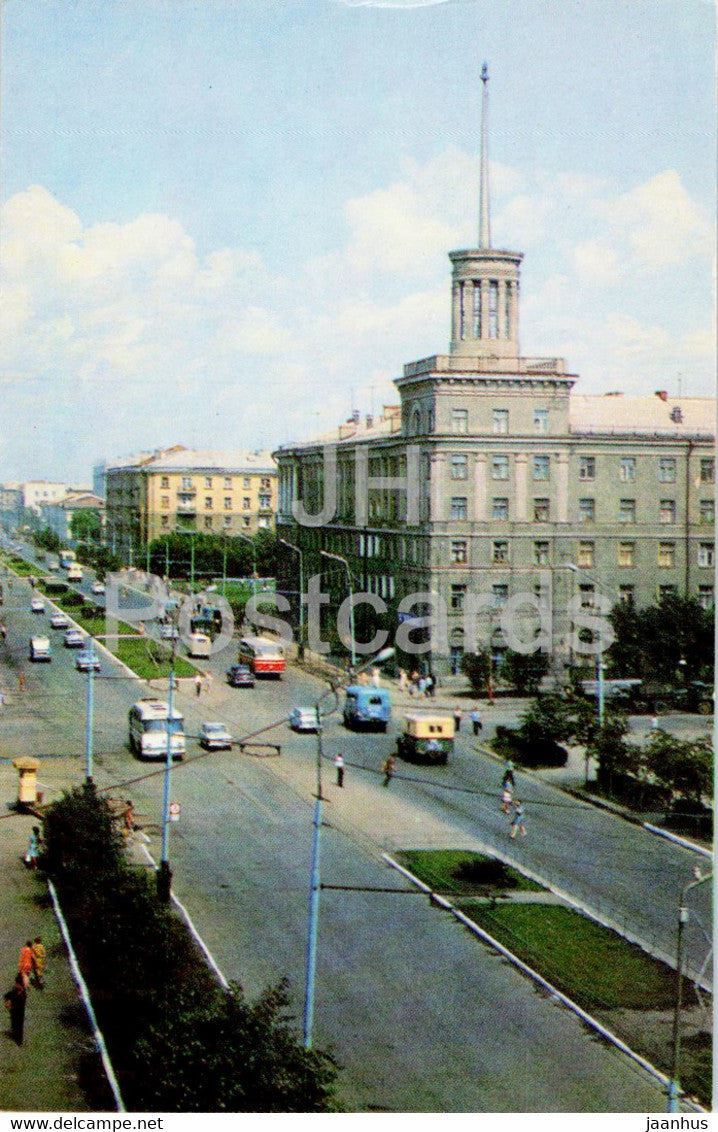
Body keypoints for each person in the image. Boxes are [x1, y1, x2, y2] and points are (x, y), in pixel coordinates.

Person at [4, 973, 27, 1045]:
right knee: (14, 1024)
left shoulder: (23, 993)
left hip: (20, 1012)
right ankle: (16, 1036)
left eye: (19, 985)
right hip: (14, 1011)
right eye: (18, 985)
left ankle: (19, 1039)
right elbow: (6, 996)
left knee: (19, 1025)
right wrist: (7, 1004)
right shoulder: (14, 991)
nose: (18, 986)